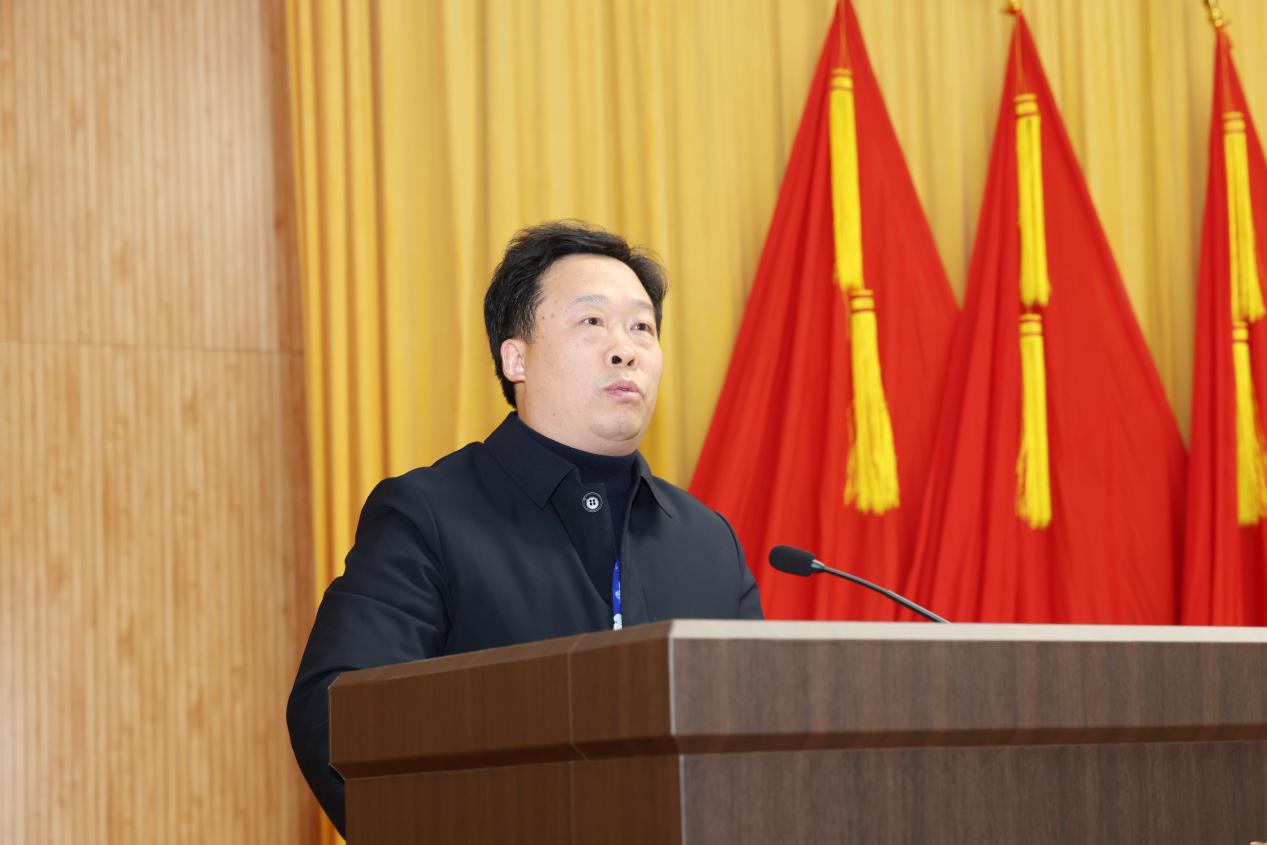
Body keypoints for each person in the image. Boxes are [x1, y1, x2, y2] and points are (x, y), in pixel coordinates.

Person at [286, 221, 763, 834]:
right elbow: (337, 710)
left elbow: (760, 729)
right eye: (592, 321)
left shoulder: (708, 540)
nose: (625, 349)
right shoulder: (428, 515)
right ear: (516, 358)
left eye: (642, 327)